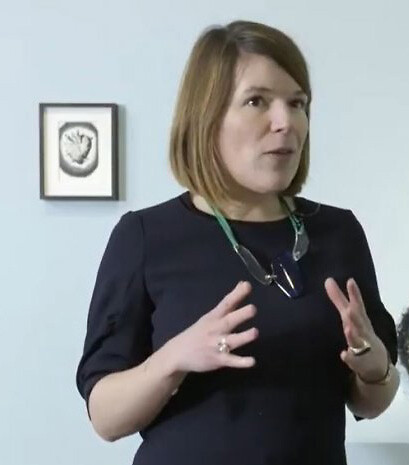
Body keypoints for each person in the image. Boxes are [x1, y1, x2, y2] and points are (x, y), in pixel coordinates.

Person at [76, 20, 400, 465]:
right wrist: (173, 359)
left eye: (297, 103)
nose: (285, 122)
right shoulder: (145, 237)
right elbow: (105, 419)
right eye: (256, 101)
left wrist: (373, 367)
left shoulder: (339, 232)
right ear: (207, 118)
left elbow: (371, 401)